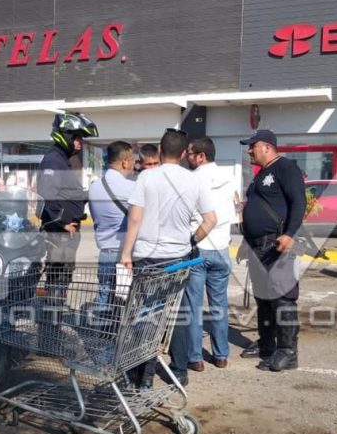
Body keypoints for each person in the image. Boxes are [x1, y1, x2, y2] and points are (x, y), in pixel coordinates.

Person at [120, 128, 216, 387]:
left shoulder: (146, 179)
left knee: (144, 314)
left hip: (147, 257)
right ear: (185, 153)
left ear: (160, 151)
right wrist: (192, 240)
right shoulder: (194, 180)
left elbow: (135, 218)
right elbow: (211, 220)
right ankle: (180, 370)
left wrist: (126, 253)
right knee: (177, 312)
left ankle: (142, 373)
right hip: (178, 257)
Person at [237, 129, 306, 372]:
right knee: (263, 299)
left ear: (266, 147)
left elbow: (299, 202)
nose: (249, 150)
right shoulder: (260, 175)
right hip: (257, 246)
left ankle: (288, 351)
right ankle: (267, 344)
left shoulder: (285, 168)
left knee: (282, 299)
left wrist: (290, 234)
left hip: (277, 245)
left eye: (252, 146)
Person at [183, 137, 235, 371]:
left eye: (191, 153)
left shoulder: (191, 180)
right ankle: (221, 355)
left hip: (199, 248)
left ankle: (195, 359)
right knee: (219, 305)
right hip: (222, 248)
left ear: (201, 156)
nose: (187, 157)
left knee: (194, 306)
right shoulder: (228, 177)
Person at [38, 112, 99, 298]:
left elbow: (65, 193)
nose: (80, 143)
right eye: (77, 138)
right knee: (59, 276)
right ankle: (51, 318)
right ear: (66, 136)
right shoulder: (53, 160)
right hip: (60, 233)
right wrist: (62, 222)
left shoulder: (62, 160)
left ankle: (53, 313)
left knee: (62, 276)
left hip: (64, 233)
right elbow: (47, 193)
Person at [88, 140, 136, 309]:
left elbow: (95, 219)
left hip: (105, 253)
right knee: (126, 302)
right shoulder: (132, 188)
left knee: (104, 295)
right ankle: (120, 334)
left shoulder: (94, 187)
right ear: (125, 162)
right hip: (126, 255)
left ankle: (101, 332)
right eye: (132, 159)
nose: (134, 162)